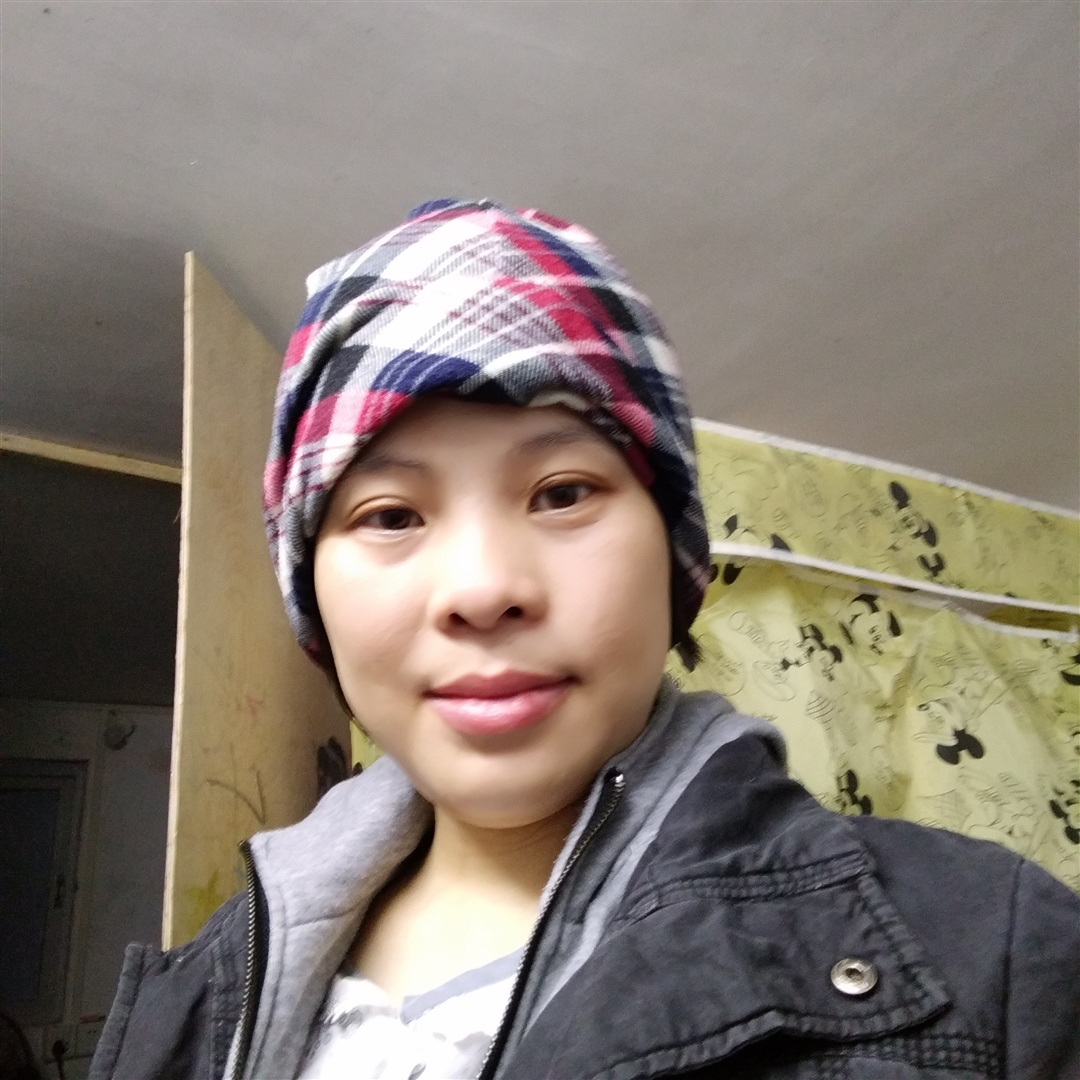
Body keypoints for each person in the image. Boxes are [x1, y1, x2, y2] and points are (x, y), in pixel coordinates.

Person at [90, 199, 1080, 1080]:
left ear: (673, 557)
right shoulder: (187, 1005)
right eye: (390, 515)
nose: (483, 590)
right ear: (312, 592)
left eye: (562, 494)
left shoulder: (994, 951)